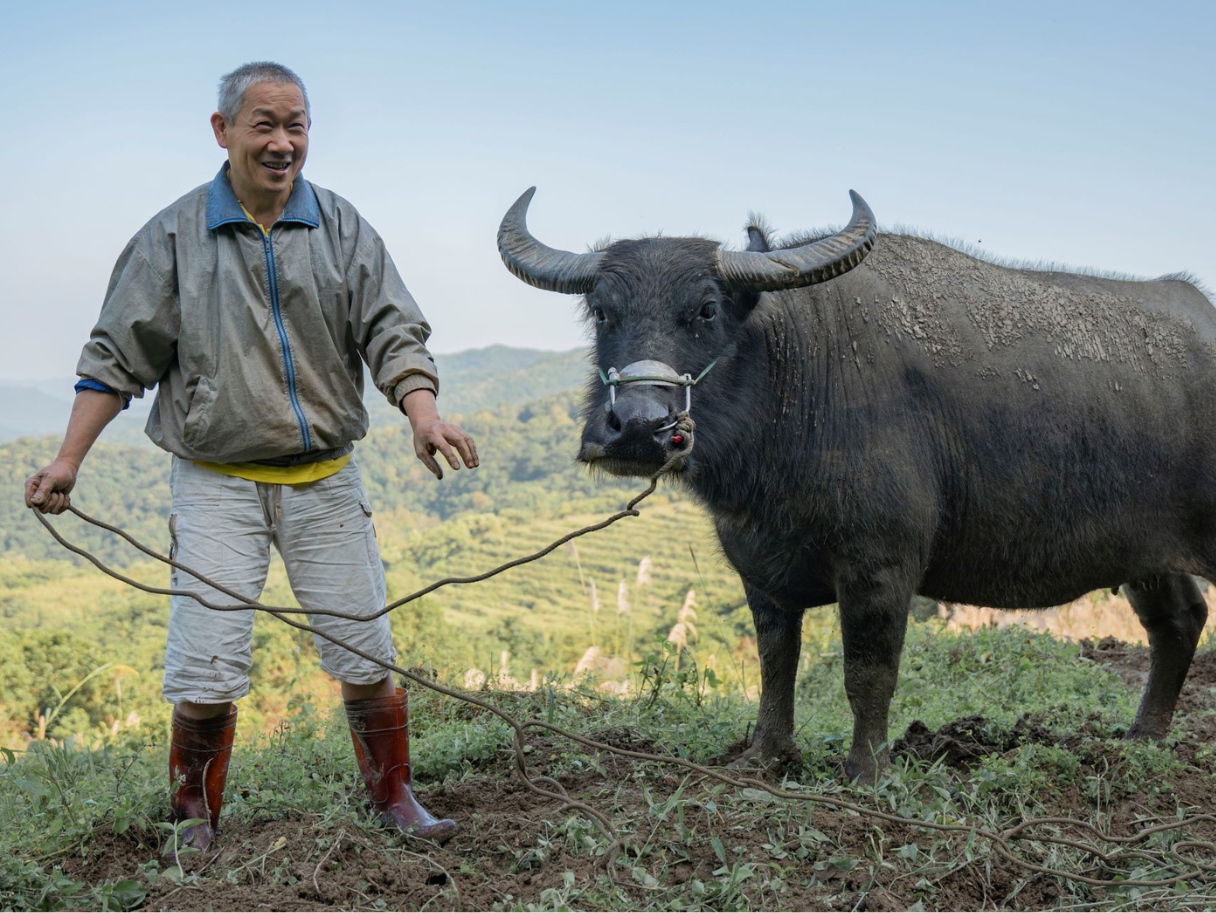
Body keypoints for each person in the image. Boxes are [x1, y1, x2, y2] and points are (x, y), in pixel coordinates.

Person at [23, 61, 478, 851]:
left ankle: (396, 796)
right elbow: (116, 356)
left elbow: (392, 329)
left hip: (326, 477)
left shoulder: (341, 226)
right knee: (205, 664)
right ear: (222, 130)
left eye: (295, 124)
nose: (281, 142)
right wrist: (68, 460)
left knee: (365, 649)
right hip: (216, 483)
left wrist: (423, 412)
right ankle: (194, 818)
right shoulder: (172, 235)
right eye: (263, 124)